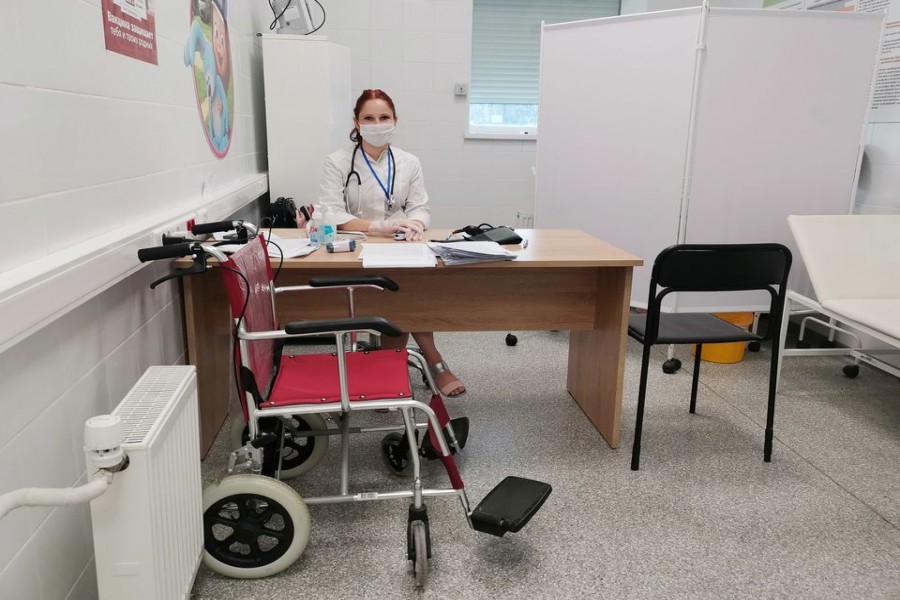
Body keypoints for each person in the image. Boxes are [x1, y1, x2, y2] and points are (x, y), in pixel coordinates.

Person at [316, 89, 466, 397]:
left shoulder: (409, 162)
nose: (377, 123)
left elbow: (421, 206)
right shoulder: (338, 162)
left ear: (395, 120)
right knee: (398, 293)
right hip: (353, 247)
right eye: (368, 118)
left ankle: (398, 366)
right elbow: (330, 213)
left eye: (384, 117)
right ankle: (423, 364)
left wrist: (415, 223)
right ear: (356, 123)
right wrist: (376, 227)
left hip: (400, 245)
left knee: (410, 288)